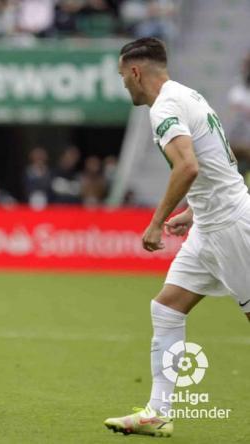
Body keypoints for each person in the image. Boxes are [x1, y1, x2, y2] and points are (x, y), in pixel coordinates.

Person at [104, 37, 250, 437]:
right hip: (211, 221)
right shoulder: (187, 94)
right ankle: (157, 411)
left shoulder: (165, 106)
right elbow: (221, 158)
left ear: (136, 72)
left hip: (230, 226)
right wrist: (193, 211)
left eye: (122, 76)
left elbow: (187, 167)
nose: (124, 85)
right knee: (167, 307)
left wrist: (157, 221)